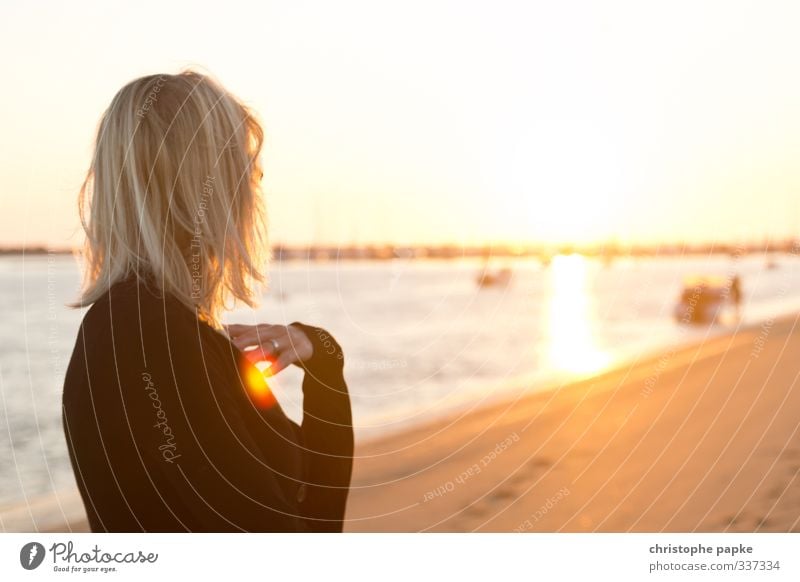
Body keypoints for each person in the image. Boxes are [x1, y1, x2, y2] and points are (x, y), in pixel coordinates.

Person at [62, 71, 353, 532]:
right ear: (202, 181)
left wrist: (322, 359)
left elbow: (309, 510)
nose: (255, 180)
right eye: (242, 162)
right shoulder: (150, 337)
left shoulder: (157, 328)